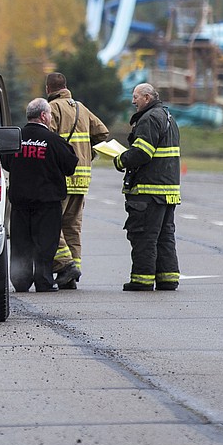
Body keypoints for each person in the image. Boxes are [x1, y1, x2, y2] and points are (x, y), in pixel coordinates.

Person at [1, 98, 79, 293]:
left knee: (20, 243)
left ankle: (20, 281)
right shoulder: (53, 141)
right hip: (47, 202)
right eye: (50, 115)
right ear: (44, 116)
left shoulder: (16, 138)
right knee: (45, 243)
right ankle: (43, 281)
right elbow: (70, 165)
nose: (51, 118)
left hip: (20, 203)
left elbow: (6, 162)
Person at [44, 72, 111, 289]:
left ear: (48, 89)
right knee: (73, 227)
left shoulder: (53, 109)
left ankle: (65, 266)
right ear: (66, 86)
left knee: (51, 225)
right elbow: (102, 133)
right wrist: (88, 153)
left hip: (62, 177)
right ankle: (71, 277)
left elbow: (47, 139)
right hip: (82, 177)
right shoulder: (81, 108)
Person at [114, 82, 182, 291]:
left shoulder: (149, 118)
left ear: (147, 98)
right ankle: (167, 278)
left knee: (143, 235)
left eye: (136, 97)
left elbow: (142, 153)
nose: (133, 101)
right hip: (167, 191)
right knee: (164, 237)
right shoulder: (167, 117)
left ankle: (142, 280)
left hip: (149, 191)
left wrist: (120, 160)